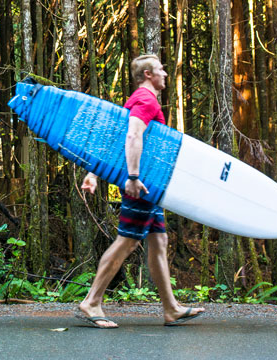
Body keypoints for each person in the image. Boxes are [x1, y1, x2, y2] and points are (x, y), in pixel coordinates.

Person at [77, 54, 205, 328]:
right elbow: (132, 135)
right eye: (161, 69)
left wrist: (93, 172)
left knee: (159, 242)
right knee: (128, 241)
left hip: (149, 184)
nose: (165, 74)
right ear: (148, 74)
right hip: (141, 185)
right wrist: (133, 177)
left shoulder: (139, 100)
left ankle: (171, 308)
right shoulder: (145, 101)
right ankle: (91, 301)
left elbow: (113, 140)